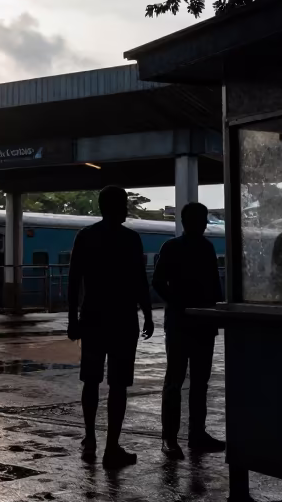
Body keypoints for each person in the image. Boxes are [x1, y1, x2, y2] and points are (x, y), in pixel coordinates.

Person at [67, 186, 154, 469]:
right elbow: (140, 280)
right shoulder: (131, 239)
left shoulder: (85, 236)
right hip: (123, 319)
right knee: (118, 384)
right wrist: (149, 314)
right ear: (118, 207)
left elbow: (73, 280)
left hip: (92, 317)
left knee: (90, 379)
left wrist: (72, 318)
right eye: (125, 203)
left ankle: (90, 437)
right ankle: (112, 447)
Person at [151, 203, 226, 459]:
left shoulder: (199, 247)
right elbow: (158, 281)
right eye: (200, 219)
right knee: (181, 381)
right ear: (188, 222)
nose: (204, 224)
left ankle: (190, 435)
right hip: (188, 322)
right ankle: (173, 438)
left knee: (192, 382)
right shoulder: (183, 248)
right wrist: (185, 305)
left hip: (192, 322)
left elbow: (159, 283)